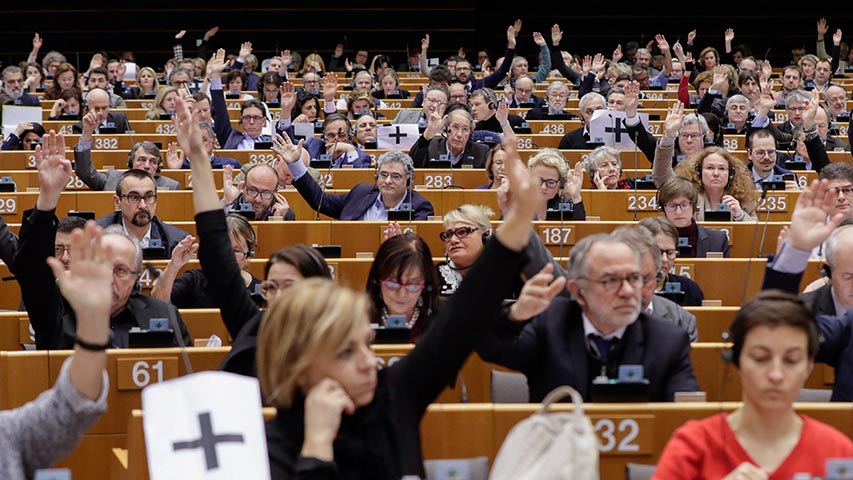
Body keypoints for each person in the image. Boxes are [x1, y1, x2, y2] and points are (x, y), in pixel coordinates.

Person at [256, 127, 540, 479]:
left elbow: (464, 317)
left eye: (364, 345)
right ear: (299, 361)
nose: (369, 362)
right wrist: (316, 449)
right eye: (346, 351)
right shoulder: (267, 447)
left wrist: (517, 222)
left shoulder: (392, 395)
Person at [171, 95, 330, 377]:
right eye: (271, 288)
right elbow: (216, 248)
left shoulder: (332, 347)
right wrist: (197, 158)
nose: (277, 297)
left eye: (288, 287)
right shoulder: (253, 327)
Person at [476, 228, 700, 402]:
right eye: (610, 281)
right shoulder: (551, 324)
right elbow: (491, 348)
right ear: (578, 291)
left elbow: (683, 417)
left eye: (634, 278)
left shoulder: (668, 340)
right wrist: (515, 315)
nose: (628, 292)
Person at [13, 131, 190, 350]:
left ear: (135, 278)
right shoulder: (57, 311)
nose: (109, 278)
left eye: (121, 271)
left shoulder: (163, 314)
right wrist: (48, 198)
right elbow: (30, 269)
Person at [654, 290, 853, 478]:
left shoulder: (838, 451)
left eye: (791, 360)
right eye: (760, 358)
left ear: (808, 366)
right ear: (736, 361)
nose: (776, 374)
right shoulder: (693, 446)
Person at [0, 221, 111, 478]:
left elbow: (71, 407)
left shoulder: (9, 435)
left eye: (72, 250)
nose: (66, 258)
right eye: (58, 249)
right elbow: (23, 259)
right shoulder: (42, 300)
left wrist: (94, 320)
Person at [277, 136, 434, 221]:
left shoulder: (420, 207)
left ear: (408, 180)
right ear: (376, 176)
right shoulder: (361, 193)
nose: (387, 181)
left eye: (396, 176)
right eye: (383, 175)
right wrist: (296, 164)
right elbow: (320, 201)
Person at [653, 102, 759, 222]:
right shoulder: (686, 194)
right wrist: (668, 136)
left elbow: (755, 234)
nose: (716, 173)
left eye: (722, 168)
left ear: (731, 173)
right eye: (709, 168)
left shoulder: (743, 200)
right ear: (698, 171)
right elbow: (661, 176)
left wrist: (740, 215)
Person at [151, 214, 262, 309]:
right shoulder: (194, 281)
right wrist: (173, 265)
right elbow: (158, 303)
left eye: (236, 251)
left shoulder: (260, 290)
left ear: (249, 254)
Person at [74, 110, 180, 191]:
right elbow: (85, 172)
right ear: (131, 161)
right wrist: (86, 134)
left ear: (158, 167)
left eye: (153, 162)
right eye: (142, 160)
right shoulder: (113, 179)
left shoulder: (170, 186)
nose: (147, 166)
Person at [94, 169, 190, 255]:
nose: (143, 206)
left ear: (155, 201)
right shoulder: (97, 237)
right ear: (117, 201)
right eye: (134, 197)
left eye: (148, 197)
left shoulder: (176, 242)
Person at [366, 233, 440, 340]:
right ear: (377, 280)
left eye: (413, 285)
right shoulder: (357, 319)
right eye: (392, 284)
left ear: (426, 284)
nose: (402, 294)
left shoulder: (442, 321)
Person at [656, 176, 731, 258]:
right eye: (671, 206)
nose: (678, 212)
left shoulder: (718, 240)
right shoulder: (650, 240)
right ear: (662, 208)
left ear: (695, 206)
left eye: (684, 205)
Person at [637, 216, 705, 307]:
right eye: (658, 252)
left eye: (670, 253)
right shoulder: (627, 289)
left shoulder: (690, 290)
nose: (664, 259)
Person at [436, 204, 494, 296]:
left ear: (486, 236)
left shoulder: (503, 274)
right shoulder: (434, 277)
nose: (453, 240)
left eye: (462, 232)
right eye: (448, 235)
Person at [409, 107, 490, 168]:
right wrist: (428, 134)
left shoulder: (482, 152)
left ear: (470, 133)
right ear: (446, 129)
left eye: (465, 129)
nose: (459, 134)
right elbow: (413, 165)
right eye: (455, 127)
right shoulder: (431, 146)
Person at [527, 148, 585, 221]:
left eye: (551, 182)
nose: (543, 187)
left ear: (561, 184)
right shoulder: (517, 203)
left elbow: (580, 231)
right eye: (538, 180)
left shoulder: (567, 204)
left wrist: (576, 197)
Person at [222, 163, 294, 221]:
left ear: (275, 193)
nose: (258, 199)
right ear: (243, 187)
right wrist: (226, 203)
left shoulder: (284, 214)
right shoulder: (227, 205)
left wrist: (276, 222)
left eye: (266, 193)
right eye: (253, 191)